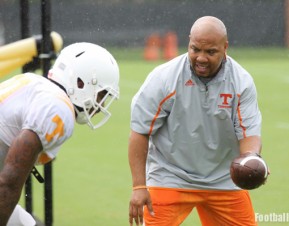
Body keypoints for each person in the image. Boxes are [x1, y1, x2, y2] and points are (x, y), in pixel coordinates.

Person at [128, 16, 265, 226]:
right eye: (195, 49)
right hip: (170, 175)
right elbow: (140, 130)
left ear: (225, 47)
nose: (201, 58)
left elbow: (249, 133)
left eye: (210, 52)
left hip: (223, 179)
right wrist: (139, 187)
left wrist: (251, 160)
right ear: (189, 43)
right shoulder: (164, 77)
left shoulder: (241, 82)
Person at [0, 42, 120, 225]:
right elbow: (8, 182)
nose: (101, 105)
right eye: (101, 95)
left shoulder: (34, 82)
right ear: (81, 83)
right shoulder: (59, 109)